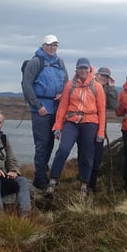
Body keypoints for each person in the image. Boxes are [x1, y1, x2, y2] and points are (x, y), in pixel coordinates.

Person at [47, 57, 106, 198]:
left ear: (89, 69)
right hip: (72, 121)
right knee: (63, 149)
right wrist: (58, 126)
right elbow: (62, 107)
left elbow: (102, 110)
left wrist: (101, 131)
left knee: (87, 154)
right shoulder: (69, 85)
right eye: (80, 68)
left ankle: (84, 184)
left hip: (90, 121)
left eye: (85, 68)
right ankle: (53, 181)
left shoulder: (97, 86)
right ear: (77, 69)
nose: (83, 70)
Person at [21, 34, 69, 191]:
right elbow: (27, 85)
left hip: (55, 109)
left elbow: (66, 82)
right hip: (41, 110)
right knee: (42, 144)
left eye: (55, 45)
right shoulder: (35, 62)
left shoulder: (59, 62)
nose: (53, 48)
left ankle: (44, 173)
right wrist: (37, 105)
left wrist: (62, 95)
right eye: (50, 45)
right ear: (43, 45)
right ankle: (40, 178)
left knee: (50, 143)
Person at [87, 66, 119, 192]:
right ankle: (84, 181)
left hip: (100, 126)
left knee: (97, 157)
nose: (104, 78)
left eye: (106, 76)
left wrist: (111, 88)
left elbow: (114, 105)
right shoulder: (88, 85)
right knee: (85, 155)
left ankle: (91, 185)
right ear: (96, 74)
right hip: (86, 125)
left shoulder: (107, 89)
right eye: (102, 75)